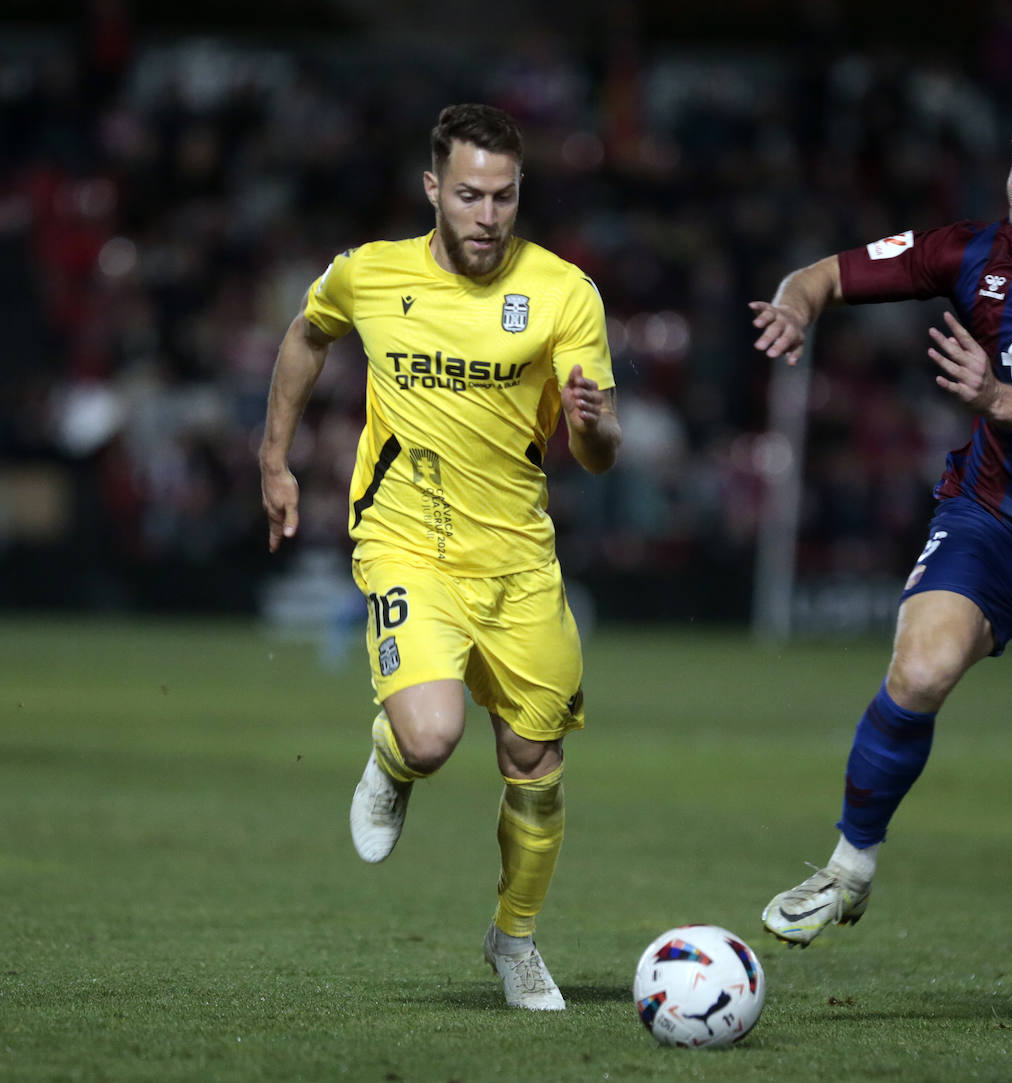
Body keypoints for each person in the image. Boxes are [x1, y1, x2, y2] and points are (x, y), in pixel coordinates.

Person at [749, 67, 1012, 1019]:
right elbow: (824, 272)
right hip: (989, 520)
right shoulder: (973, 251)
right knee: (921, 668)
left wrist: (994, 398)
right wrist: (797, 305)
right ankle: (849, 866)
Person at [258, 103, 621, 1011]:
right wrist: (274, 457)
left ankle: (514, 939)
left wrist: (594, 426)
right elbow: (306, 335)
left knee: (533, 762)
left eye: (503, 196)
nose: (487, 215)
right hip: (406, 540)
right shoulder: (370, 274)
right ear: (434, 190)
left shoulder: (566, 291)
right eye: (468, 194)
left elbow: (597, 451)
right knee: (431, 733)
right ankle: (391, 764)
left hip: (518, 559)